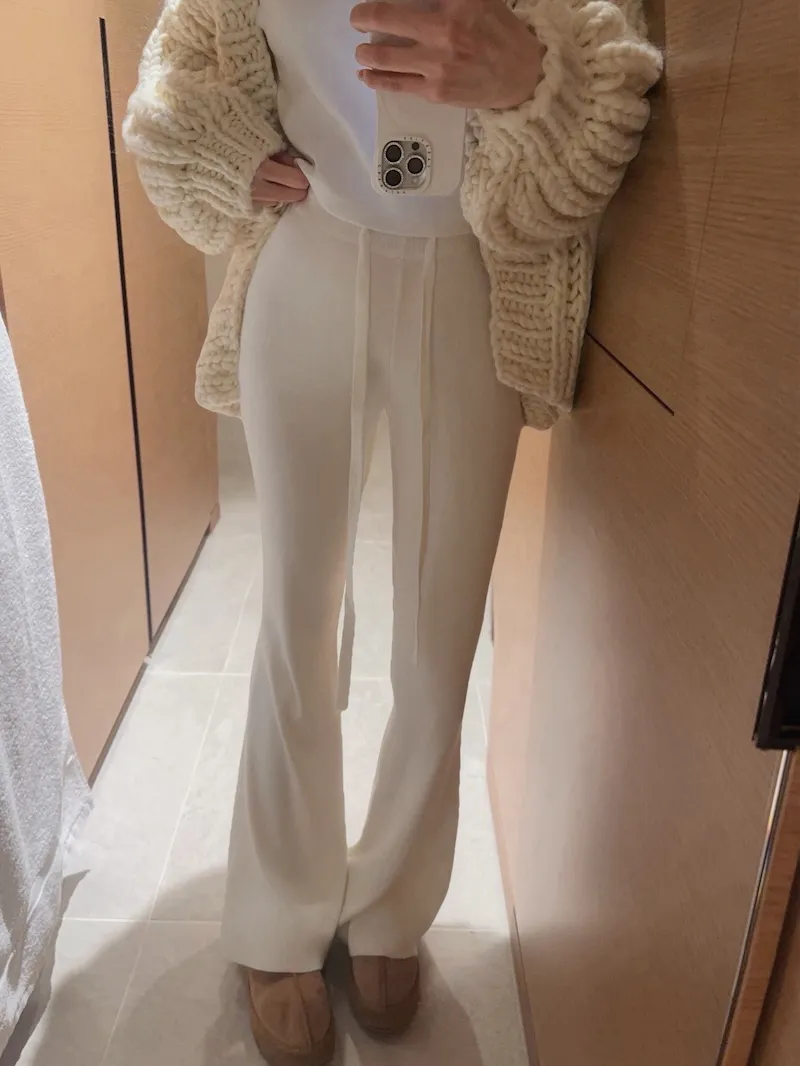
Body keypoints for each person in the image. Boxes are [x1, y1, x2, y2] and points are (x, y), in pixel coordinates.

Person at [124, 1, 661, 1062]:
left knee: (440, 624)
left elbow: (611, 75)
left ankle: (390, 906)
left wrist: (536, 83)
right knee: (295, 610)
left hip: (473, 270)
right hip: (310, 250)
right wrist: (223, 152)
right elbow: (177, 72)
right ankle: (276, 915)